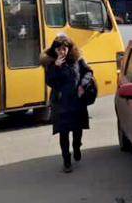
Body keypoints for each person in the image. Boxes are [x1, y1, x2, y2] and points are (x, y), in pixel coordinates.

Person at [40, 35, 95, 172]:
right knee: (63, 133)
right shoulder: (51, 64)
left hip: (77, 101)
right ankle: (66, 160)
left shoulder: (77, 60)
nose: (62, 52)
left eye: (64, 49)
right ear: (55, 50)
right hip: (61, 103)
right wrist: (56, 68)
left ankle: (77, 146)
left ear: (69, 49)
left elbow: (88, 72)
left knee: (77, 130)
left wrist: (83, 85)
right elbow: (50, 82)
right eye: (59, 49)